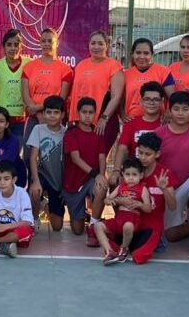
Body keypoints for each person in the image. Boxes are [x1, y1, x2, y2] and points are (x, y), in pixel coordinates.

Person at [92, 81, 165, 241]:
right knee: (115, 181)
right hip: (134, 175)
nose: (151, 103)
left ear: (162, 102)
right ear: (141, 101)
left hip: (156, 178)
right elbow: (123, 148)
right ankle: (119, 225)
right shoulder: (132, 123)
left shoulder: (165, 124)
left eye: (155, 99)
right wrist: (117, 171)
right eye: (147, 99)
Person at [100, 132, 177, 265]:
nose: (143, 157)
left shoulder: (165, 173)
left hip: (151, 225)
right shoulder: (131, 171)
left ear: (157, 154)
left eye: (148, 154)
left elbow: (173, 206)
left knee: (139, 256)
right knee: (109, 240)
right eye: (140, 153)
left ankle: (156, 240)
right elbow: (116, 196)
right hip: (128, 222)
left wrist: (164, 189)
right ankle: (125, 246)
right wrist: (118, 200)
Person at [154, 91, 189, 258]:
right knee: (171, 236)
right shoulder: (159, 133)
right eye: (176, 109)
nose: (180, 113)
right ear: (169, 111)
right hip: (168, 188)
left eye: (185, 109)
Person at [94, 157, 152, 265]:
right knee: (97, 226)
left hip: (133, 219)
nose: (130, 178)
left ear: (141, 175)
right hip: (118, 219)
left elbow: (148, 208)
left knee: (128, 226)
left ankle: (124, 248)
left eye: (134, 175)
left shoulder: (142, 189)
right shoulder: (121, 187)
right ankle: (109, 251)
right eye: (127, 174)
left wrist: (139, 204)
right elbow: (107, 199)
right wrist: (113, 200)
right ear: (123, 175)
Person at [62, 97, 107, 236]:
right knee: (77, 231)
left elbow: (102, 158)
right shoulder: (71, 133)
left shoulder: (98, 133)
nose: (87, 115)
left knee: (100, 188)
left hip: (90, 180)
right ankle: (83, 214)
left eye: (91, 112)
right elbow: (76, 159)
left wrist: (102, 176)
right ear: (78, 112)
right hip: (73, 184)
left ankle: (94, 224)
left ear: (95, 114)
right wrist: (96, 174)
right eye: (84, 112)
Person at [70, 31, 124, 143]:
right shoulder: (80, 65)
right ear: (88, 45)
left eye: (100, 44)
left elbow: (116, 97)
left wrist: (104, 119)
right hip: (81, 121)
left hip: (102, 122)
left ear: (107, 46)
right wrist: (73, 118)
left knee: (99, 157)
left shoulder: (114, 66)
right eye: (93, 43)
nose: (96, 47)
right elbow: (75, 94)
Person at [21, 28, 73, 142]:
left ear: (57, 43)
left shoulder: (66, 70)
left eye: (50, 41)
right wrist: (38, 114)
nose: (46, 44)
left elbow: (61, 98)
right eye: (43, 41)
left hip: (55, 118)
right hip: (34, 117)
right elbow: (25, 95)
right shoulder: (29, 67)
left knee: (53, 155)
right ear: (39, 43)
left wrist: (39, 109)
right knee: (28, 155)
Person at [27, 95, 67, 231]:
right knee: (35, 191)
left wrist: (65, 186)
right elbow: (33, 157)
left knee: (57, 227)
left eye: (56, 112)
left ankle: (45, 206)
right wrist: (36, 181)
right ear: (43, 113)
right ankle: (34, 218)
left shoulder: (67, 133)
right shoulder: (38, 129)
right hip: (42, 174)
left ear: (62, 114)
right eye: (48, 112)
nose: (52, 116)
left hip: (59, 180)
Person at [120, 38, 171, 121]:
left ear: (152, 55)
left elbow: (172, 97)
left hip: (158, 121)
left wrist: (169, 112)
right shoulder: (125, 74)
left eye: (146, 53)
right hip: (133, 121)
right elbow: (120, 99)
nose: (142, 56)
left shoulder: (163, 72)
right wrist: (122, 115)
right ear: (132, 54)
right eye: (138, 53)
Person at [0, 29, 30, 140]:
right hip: (1, 120)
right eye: (9, 44)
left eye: (16, 44)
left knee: (15, 155)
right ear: (4, 47)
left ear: (21, 46)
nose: (13, 48)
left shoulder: (30, 64)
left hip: (21, 120)